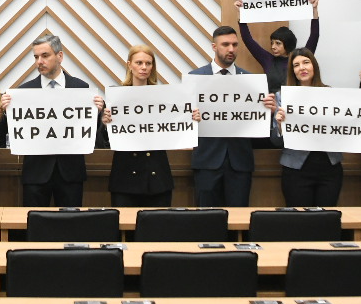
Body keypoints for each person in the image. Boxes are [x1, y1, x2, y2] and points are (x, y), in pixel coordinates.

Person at [2, 34, 102, 206]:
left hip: (70, 172)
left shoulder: (81, 89)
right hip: (36, 173)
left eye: (45, 56)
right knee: (34, 226)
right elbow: (12, 132)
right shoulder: (23, 92)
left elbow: (92, 131)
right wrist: (6, 112)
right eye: (36, 57)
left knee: (71, 226)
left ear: (60, 56)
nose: (39, 61)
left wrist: (99, 112)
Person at [189, 25, 257, 206]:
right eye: (225, 44)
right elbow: (182, 122)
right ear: (214, 47)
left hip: (240, 163)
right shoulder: (195, 77)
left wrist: (267, 109)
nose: (231, 49)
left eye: (235, 45)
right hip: (207, 161)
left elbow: (257, 124)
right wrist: (190, 117)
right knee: (207, 221)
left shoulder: (251, 80)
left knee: (239, 223)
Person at [268, 48, 343, 205]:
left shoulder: (332, 94)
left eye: (306, 62)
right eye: (296, 65)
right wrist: (281, 125)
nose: (301, 68)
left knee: (326, 220)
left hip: (329, 168)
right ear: (292, 71)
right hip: (296, 169)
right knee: (299, 223)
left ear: (314, 66)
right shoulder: (282, 97)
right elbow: (276, 141)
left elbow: (345, 129)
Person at [108, 45, 174, 207]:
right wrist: (106, 122)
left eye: (148, 63)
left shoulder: (164, 98)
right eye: (139, 63)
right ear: (129, 65)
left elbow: (175, 130)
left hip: (157, 177)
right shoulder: (116, 97)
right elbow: (106, 139)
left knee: (157, 230)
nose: (144, 67)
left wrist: (191, 119)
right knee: (124, 230)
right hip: (125, 177)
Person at [235, 0, 320, 93]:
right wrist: (240, 13)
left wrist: (314, 9)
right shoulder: (268, 60)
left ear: (287, 44)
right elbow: (248, 40)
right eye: (272, 43)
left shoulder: (299, 60)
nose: (273, 47)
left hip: (296, 105)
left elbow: (314, 36)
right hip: (273, 106)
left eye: (278, 43)